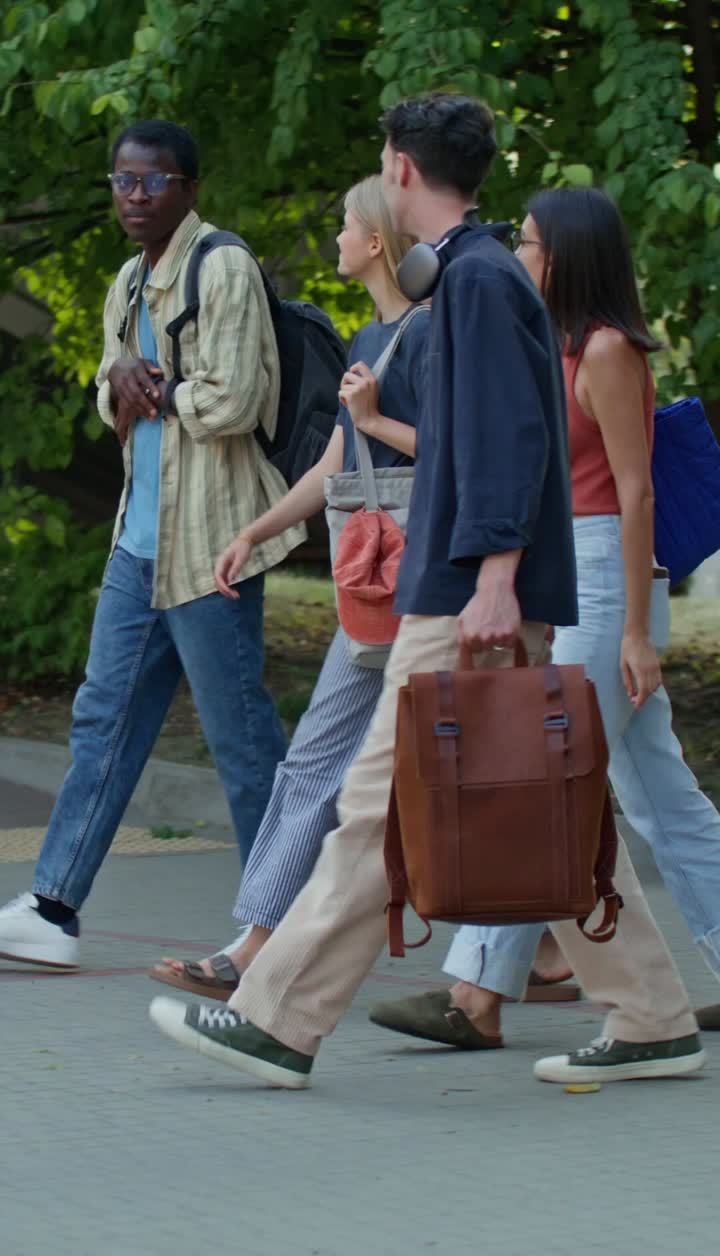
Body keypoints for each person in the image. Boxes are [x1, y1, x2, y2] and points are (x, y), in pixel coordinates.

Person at [147, 92, 699, 1092]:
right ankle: (656, 1013)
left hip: (465, 589)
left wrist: (492, 576)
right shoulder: (482, 275)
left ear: (401, 170)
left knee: (374, 807)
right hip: (471, 581)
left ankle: (277, 1018)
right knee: (554, 798)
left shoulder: (482, 284)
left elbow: (503, 440)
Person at [370, 186, 718, 1079]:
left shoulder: (604, 350)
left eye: (526, 241)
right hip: (575, 568)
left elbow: (634, 491)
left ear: (564, 254)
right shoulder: (550, 344)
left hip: (608, 576)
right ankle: (481, 993)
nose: (516, 253)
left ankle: (477, 996)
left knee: (540, 776)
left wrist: (639, 630)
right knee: (656, 797)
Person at [0, 120, 302, 970]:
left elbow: (237, 399)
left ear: (189, 188)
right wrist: (119, 385)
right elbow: (108, 390)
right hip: (139, 546)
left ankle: (285, 924)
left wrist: (154, 387)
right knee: (103, 723)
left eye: (152, 182)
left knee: (242, 740)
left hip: (211, 547)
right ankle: (54, 905)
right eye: (121, 181)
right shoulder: (129, 279)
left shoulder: (224, 267)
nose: (133, 197)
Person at [148, 174, 430, 998]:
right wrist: (256, 530)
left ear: (376, 242)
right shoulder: (370, 339)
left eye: (345, 227)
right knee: (310, 764)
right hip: (371, 588)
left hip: (428, 588)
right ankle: (254, 946)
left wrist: (376, 420)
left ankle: (540, 948)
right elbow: (338, 463)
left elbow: (459, 452)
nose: (335, 239)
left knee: (451, 772)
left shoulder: (436, 335)